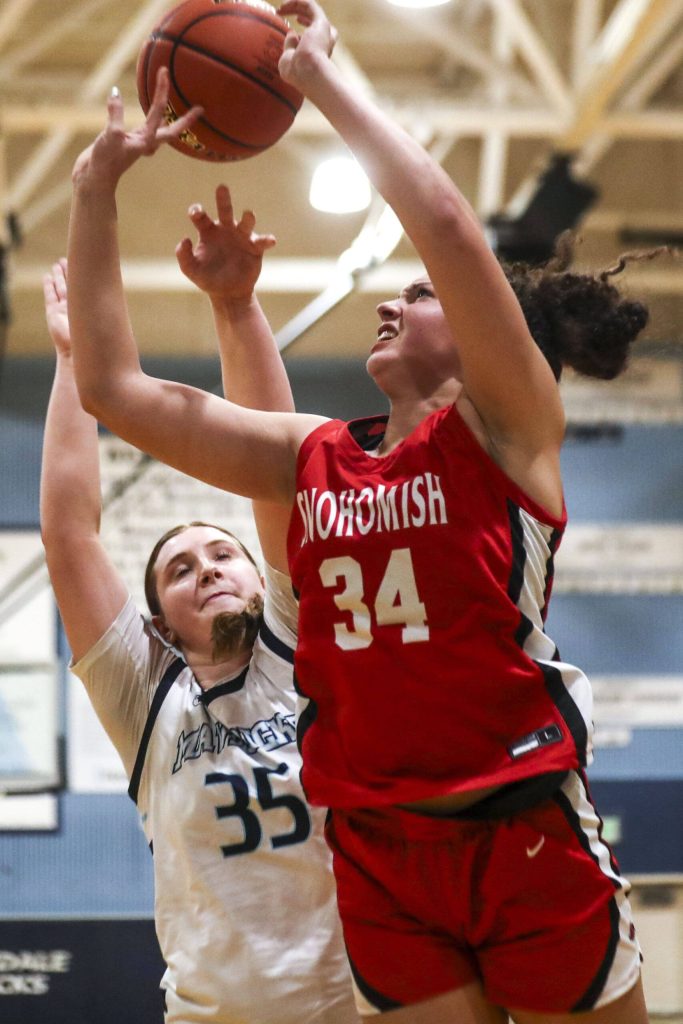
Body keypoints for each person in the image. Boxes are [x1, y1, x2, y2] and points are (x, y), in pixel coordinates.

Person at [64, 2, 657, 1021]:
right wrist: (97, 189)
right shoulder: (314, 457)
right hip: (379, 850)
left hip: (517, 819)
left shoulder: (508, 430)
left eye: (417, 296)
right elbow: (117, 390)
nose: (389, 303)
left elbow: (444, 220)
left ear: (480, 335)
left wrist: (322, 79)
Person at [40, 255, 356, 1024]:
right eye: (180, 569)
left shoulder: (295, 642)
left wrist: (235, 305)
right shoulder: (145, 698)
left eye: (224, 555)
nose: (209, 570)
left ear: (260, 577)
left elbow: (277, 465)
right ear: (158, 623)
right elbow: (70, 532)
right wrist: (73, 359)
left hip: (358, 1008)